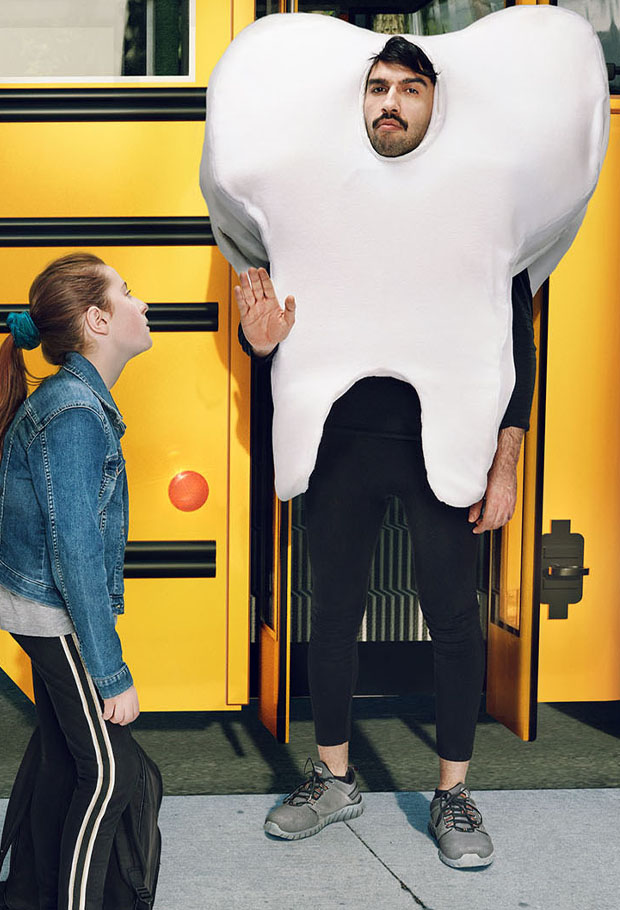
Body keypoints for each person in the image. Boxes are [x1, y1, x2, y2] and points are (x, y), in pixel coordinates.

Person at [233, 38, 536, 868]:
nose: (390, 102)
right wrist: (260, 346)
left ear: (436, 103)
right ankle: (334, 778)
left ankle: (453, 793)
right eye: (377, 88)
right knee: (330, 611)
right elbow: (270, 324)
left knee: (450, 616)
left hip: (448, 438)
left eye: (409, 88)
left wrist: (506, 462)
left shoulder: (478, 203)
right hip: (341, 439)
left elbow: (517, 344)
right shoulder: (316, 198)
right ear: (359, 101)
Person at [0, 252, 152, 908]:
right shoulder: (73, 412)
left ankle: (33, 892)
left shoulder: (73, 401)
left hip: (37, 606)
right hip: (50, 613)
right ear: (97, 320)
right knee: (111, 778)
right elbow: (76, 555)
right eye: (128, 294)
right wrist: (111, 673)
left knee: (69, 761)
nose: (143, 304)